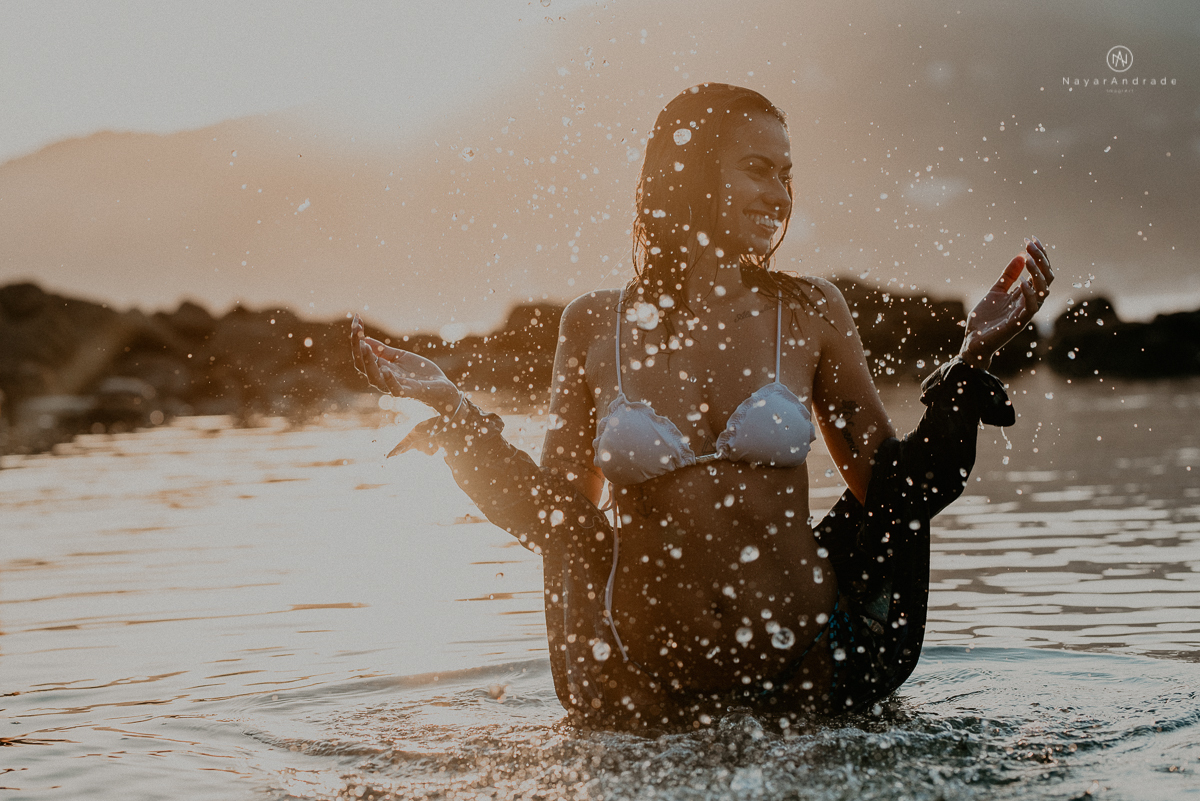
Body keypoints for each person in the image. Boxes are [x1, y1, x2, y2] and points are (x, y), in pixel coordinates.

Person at [351, 83, 1053, 730]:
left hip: (813, 669)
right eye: (757, 168)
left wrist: (972, 358)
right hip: (635, 683)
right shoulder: (595, 324)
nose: (778, 194)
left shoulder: (811, 311)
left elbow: (898, 489)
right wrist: (455, 412)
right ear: (688, 175)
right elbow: (557, 516)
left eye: (785, 173)